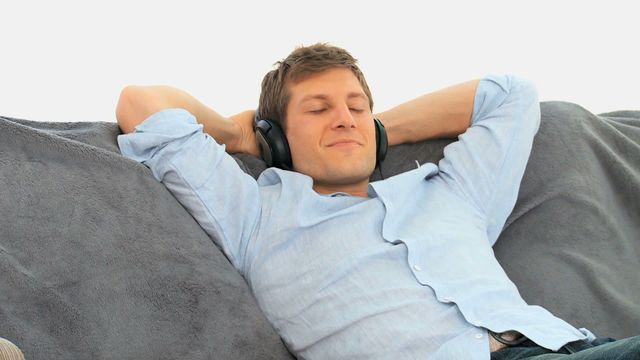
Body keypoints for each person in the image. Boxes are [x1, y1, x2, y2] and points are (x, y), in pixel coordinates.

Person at [115, 43, 639, 359]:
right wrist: (235, 131)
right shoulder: (256, 213)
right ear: (278, 137)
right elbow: (141, 104)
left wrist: (378, 129)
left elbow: (510, 94)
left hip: (567, 345)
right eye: (319, 109)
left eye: (356, 106)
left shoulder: (450, 192)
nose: (343, 118)